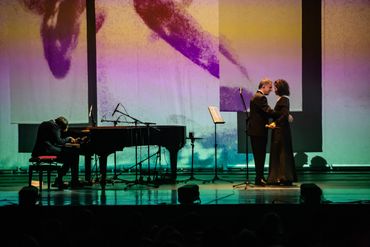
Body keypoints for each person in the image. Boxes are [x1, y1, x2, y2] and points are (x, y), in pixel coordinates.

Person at [31, 116, 83, 189]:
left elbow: (53, 140)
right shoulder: (55, 127)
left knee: (69, 157)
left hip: (38, 151)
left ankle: (59, 179)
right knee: (72, 156)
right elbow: (59, 141)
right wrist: (68, 138)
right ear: (61, 125)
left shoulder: (46, 123)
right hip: (46, 151)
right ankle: (67, 180)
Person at [266, 79, 297, 185]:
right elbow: (284, 114)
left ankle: (283, 177)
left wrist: (275, 123)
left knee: (282, 152)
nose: (274, 89)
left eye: (275, 87)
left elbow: (284, 114)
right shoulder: (281, 99)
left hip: (281, 130)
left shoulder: (284, 99)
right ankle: (279, 177)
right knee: (279, 152)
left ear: (280, 88)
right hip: (280, 129)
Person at [248, 79, 278, 186]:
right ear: (264, 86)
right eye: (269, 87)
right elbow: (268, 111)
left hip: (256, 131)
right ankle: (259, 178)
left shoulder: (256, 96)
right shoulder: (260, 97)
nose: (271, 90)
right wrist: (282, 114)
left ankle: (259, 177)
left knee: (259, 155)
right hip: (259, 132)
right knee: (260, 156)